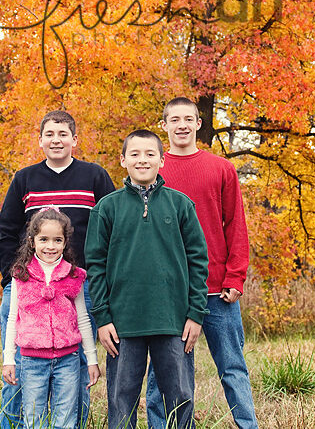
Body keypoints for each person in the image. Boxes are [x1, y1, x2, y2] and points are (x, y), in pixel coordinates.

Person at [0, 110, 115, 429]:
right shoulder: (25, 178)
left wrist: (102, 279)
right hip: (28, 284)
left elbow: (112, 229)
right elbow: (7, 229)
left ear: (75, 140)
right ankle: (14, 424)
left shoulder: (95, 176)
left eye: (63, 134)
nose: (56, 140)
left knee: (76, 365)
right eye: (49, 134)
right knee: (21, 363)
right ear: (40, 140)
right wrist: (12, 278)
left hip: (81, 286)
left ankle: (72, 424)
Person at [85, 129, 209, 429]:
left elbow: (198, 261)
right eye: (135, 154)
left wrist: (195, 313)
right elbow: (95, 265)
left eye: (150, 154)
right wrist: (102, 318)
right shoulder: (107, 208)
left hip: (173, 321)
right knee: (121, 398)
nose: (143, 160)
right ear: (123, 159)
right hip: (122, 323)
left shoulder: (180, 205)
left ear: (162, 160)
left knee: (180, 395)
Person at [146, 98, 258, 429]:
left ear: (198, 124)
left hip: (216, 291)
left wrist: (236, 277)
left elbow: (235, 225)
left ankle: (247, 424)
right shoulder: (152, 169)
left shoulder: (221, 168)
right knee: (165, 373)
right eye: (174, 119)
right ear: (164, 126)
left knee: (233, 367)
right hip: (168, 292)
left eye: (188, 119)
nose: (181, 125)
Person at [3, 207, 101, 429]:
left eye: (57, 240)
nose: (50, 246)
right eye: (44, 239)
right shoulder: (22, 276)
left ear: (65, 243)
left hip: (68, 361)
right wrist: (9, 359)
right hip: (32, 361)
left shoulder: (74, 275)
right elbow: (12, 319)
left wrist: (92, 359)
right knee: (33, 419)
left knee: (65, 420)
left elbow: (83, 319)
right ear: (32, 241)